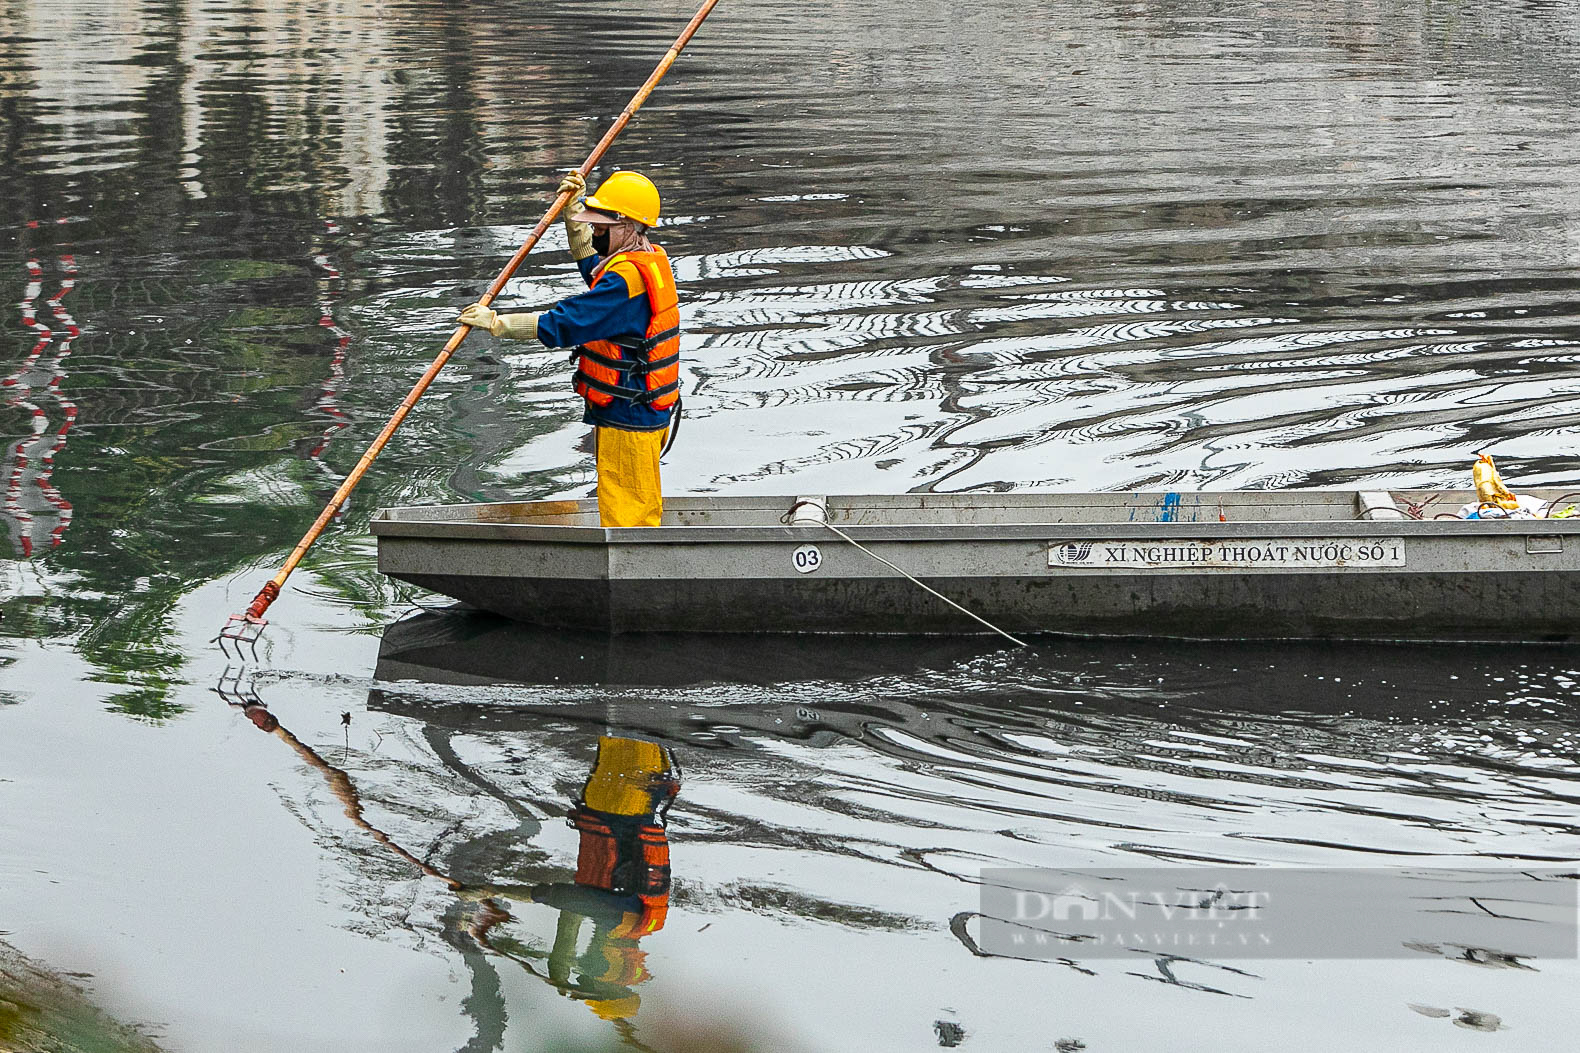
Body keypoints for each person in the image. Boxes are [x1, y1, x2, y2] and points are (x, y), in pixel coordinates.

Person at [458, 170, 680, 528]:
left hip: (630, 416)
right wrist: (571, 208)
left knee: (629, 516)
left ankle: (635, 570)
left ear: (625, 226)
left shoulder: (624, 285)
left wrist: (496, 323)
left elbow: (563, 323)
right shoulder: (644, 260)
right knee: (633, 500)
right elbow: (594, 265)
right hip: (642, 409)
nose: (594, 230)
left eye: (601, 225)